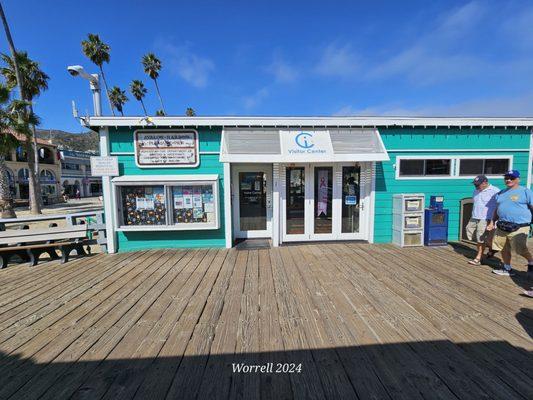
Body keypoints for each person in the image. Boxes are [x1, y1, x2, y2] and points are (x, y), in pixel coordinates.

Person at [486, 170, 533, 276]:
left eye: (511, 178)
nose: (508, 180)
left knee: (520, 249)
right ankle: (507, 268)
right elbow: (497, 209)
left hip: (520, 226)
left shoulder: (526, 191)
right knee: (503, 247)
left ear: (518, 179)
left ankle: (531, 262)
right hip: (502, 225)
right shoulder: (501, 193)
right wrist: (492, 222)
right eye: (506, 178)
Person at [465, 175, 499, 265]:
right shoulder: (475, 191)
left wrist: (492, 221)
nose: (476, 186)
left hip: (485, 218)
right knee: (468, 230)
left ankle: (478, 258)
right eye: (475, 184)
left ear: (485, 183)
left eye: (477, 184)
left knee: (480, 238)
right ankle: (492, 248)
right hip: (475, 216)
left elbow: (499, 206)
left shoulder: (495, 191)